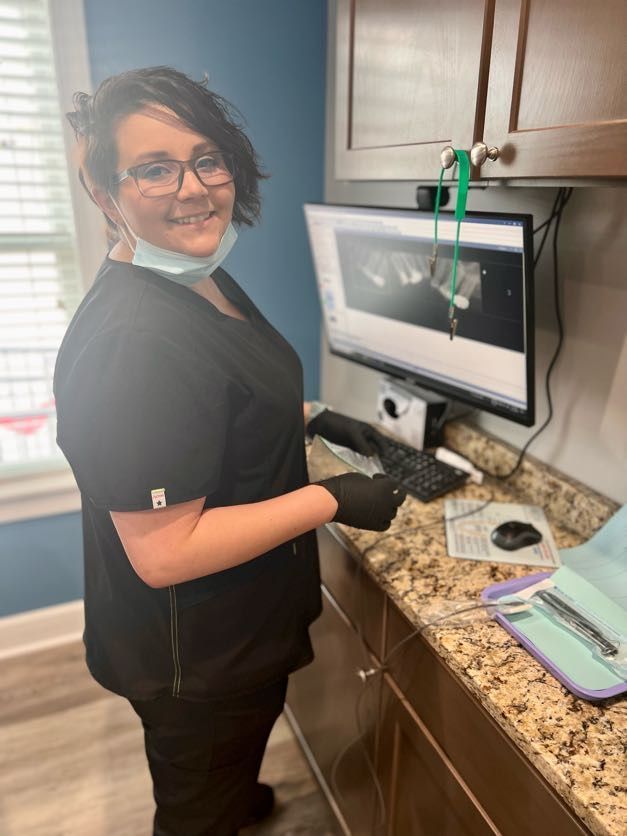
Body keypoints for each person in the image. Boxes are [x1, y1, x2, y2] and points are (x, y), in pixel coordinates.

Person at [54, 67, 406, 836]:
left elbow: (219, 392)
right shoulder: (136, 341)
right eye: (154, 168)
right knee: (196, 807)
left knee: (229, 769)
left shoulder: (196, 276)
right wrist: (335, 497)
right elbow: (164, 553)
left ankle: (235, 796)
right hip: (196, 658)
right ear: (106, 194)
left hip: (240, 626)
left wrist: (311, 418)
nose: (193, 188)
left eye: (207, 158)